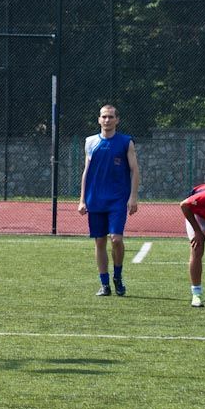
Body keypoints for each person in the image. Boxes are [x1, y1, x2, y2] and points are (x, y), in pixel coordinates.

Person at [77, 104, 140, 297]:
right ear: (99, 119)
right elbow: (86, 172)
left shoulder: (125, 142)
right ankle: (104, 284)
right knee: (99, 242)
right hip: (95, 199)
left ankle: (118, 276)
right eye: (104, 117)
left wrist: (133, 197)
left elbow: (135, 170)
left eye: (111, 117)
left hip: (117, 200)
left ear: (117, 120)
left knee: (116, 239)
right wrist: (81, 199)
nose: (107, 120)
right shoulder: (90, 142)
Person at [178, 182, 205, 307]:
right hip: (197, 215)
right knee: (197, 248)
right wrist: (197, 231)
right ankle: (196, 294)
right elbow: (184, 205)